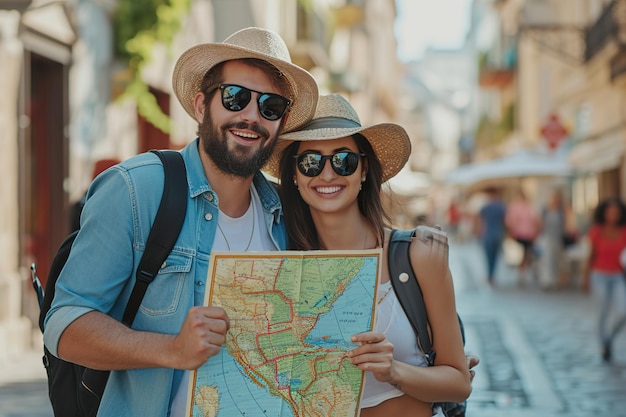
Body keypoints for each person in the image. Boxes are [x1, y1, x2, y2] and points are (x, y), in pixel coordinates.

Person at [42, 27, 319, 416]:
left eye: (270, 106)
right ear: (202, 104)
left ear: (282, 120)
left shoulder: (288, 213)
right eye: (236, 97)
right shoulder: (135, 189)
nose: (251, 116)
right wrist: (171, 349)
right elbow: (65, 325)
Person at [266, 94, 472, 416]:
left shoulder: (420, 256)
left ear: (363, 170)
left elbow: (459, 382)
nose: (328, 174)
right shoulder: (281, 266)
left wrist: (394, 371)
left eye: (343, 160)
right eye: (310, 162)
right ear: (294, 175)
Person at [582, 197, 626, 362]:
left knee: (623, 312)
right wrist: (585, 277)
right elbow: (590, 256)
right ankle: (603, 345)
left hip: (617, 276)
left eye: (616, 212)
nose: (613, 215)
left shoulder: (624, 231)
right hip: (599, 275)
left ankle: (608, 340)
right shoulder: (596, 231)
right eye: (610, 212)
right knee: (602, 312)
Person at [505, 189, 541, 286]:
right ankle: (521, 273)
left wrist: (536, 231)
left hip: (528, 234)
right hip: (518, 234)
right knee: (521, 255)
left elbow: (536, 220)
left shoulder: (529, 207)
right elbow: (509, 221)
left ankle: (522, 273)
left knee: (526, 255)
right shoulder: (515, 207)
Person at [477, 187, 506, 285]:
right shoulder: (501, 206)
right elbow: (504, 222)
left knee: (488, 257)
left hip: (488, 234)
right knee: (495, 257)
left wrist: (479, 231)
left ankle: (489, 276)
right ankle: (491, 276)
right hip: (497, 234)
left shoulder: (485, 207)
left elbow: (480, 220)